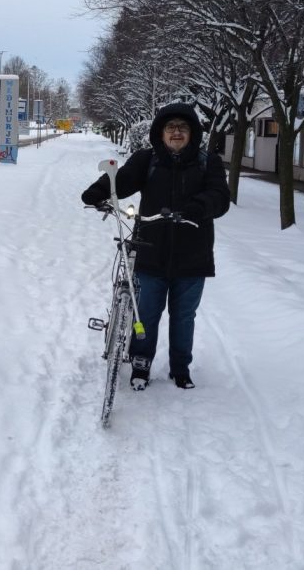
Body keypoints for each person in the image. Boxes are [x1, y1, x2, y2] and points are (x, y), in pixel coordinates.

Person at [80, 103, 231, 391]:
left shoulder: (206, 162)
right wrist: (97, 192)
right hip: (149, 249)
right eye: (170, 127)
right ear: (160, 132)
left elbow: (220, 196)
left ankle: (180, 368)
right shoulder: (146, 160)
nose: (176, 132)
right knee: (146, 312)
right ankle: (141, 363)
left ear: (193, 133)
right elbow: (121, 181)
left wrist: (198, 207)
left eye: (183, 127)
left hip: (192, 253)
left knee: (184, 316)